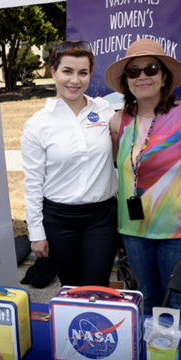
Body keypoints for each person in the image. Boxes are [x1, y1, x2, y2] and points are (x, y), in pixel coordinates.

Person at [106, 39, 181, 314]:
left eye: (151, 69)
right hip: (134, 230)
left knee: (179, 301)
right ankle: (152, 356)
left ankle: (175, 356)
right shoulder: (119, 122)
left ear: (164, 76)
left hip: (178, 232)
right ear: (126, 80)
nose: (143, 76)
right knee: (147, 298)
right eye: (134, 71)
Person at [20, 40, 119, 289]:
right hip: (58, 219)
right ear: (53, 72)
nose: (75, 80)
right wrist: (37, 233)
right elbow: (32, 184)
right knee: (72, 288)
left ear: (89, 75)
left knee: (97, 287)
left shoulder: (106, 111)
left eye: (82, 73)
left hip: (101, 217)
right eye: (67, 71)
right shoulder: (37, 124)